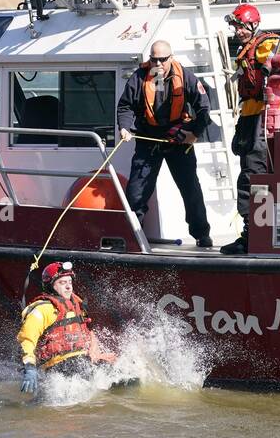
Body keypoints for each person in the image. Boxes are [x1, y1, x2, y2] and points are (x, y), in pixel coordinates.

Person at [116, 40, 214, 247]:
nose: (158, 63)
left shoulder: (186, 77)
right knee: (136, 192)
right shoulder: (139, 78)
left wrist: (193, 134)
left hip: (178, 140)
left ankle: (201, 234)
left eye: (162, 59)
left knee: (190, 189)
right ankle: (132, 237)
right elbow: (125, 106)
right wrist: (124, 127)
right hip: (148, 139)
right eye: (154, 59)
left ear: (171, 58)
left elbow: (204, 109)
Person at [220, 3, 280, 255]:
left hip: (266, 117)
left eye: (240, 26)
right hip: (250, 115)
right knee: (249, 171)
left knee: (254, 175)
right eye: (235, 27)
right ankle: (253, 230)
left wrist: (273, 62)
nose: (237, 31)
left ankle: (254, 234)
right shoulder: (248, 47)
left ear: (252, 25)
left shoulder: (267, 44)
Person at [17, 261, 116, 393]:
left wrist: (96, 355)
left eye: (69, 282)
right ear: (51, 286)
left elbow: (89, 332)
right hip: (58, 368)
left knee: (120, 374)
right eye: (62, 283)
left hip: (83, 362)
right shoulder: (43, 310)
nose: (69, 287)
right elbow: (26, 340)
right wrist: (29, 367)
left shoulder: (77, 305)